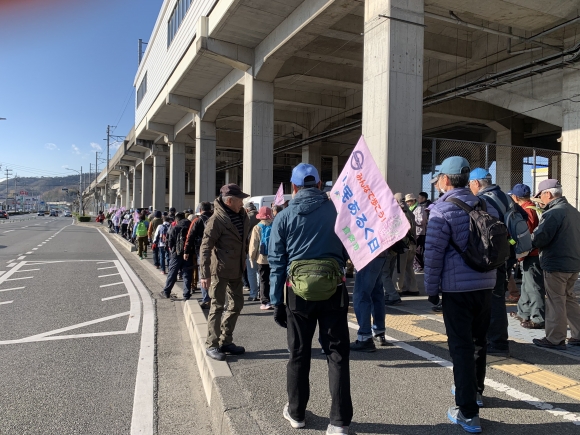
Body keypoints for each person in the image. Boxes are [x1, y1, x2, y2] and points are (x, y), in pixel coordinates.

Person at [269, 163, 352, 435]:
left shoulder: (283, 216)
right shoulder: (338, 210)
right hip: (333, 289)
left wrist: (276, 301)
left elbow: (277, 263)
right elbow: (352, 245)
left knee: (299, 353)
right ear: (319, 184)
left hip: (297, 294)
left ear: (293, 188)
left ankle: (296, 413)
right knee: (337, 354)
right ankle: (339, 422)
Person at [425, 156, 499, 433]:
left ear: (445, 179)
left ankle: (467, 412)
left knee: (461, 347)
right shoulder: (485, 203)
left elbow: (433, 256)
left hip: (457, 289)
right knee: (480, 341)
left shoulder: (441, 210)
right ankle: (476, 393)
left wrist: (432, 291)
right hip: (486, 283)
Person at [200, 184, 250, 362]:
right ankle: (212, 344)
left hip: (237, 268)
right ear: (229, 201)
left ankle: (225, 340)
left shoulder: (242, 215)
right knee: (217, 306)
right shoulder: (216, 220)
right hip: (219, 269)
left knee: (237, 304)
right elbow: (205, 247)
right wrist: (204, 273)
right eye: (240, 200)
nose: (242, 203)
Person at [530, 179, 580, 350]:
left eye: (541, 195)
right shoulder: (573, 211)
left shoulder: (552, 214)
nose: (540, 200)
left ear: (548, 194)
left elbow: (540, 238)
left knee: (556, 300)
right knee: (570, 298)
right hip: (573, 263)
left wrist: (531, 237)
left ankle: (555, 338)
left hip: (556, 264)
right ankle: (578, 334)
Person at [468, 168, 510, 357]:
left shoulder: (485, 201)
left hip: (490, 256)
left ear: (476, 183)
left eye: (470, 184)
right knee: (497, 297)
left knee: (492, 299)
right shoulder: (506, 197)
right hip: (504, 253)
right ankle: (498, 338)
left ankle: (498, 342)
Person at [507, 184, 545, 329]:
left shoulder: (526, 211)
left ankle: (537, 318)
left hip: (530, 254)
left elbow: (523, 235)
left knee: (534, 287)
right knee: (526, 285)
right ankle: (523, 312)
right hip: (532, 253)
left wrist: (510, 243)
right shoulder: (534, 208)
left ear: (516, 197)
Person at [185, 201, 213, 309]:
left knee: (204, 274)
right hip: (216, 251)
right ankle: (216, 298)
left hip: (201, 251)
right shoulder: (216, 218)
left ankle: (206, 299)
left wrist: (186, 251)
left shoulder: (197, 220)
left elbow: (190, 236)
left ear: (200, 210)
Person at [160, 212, 195, 300]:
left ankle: (166, 292)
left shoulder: (175, 227)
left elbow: (170, 241)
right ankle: (186, 295)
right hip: (188, 253)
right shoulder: (191, 227)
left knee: (172, 273)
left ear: (176, 219)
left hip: (176, 253)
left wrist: (173, 251)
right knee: (187, 274)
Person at [248, 206, 274, 310]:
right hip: (274, 257)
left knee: (263, 280)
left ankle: (264, 302)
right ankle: (274, 299)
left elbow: (254, 245)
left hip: (262, 258)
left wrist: (251, 257)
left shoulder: (257, 227)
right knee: (273, 279)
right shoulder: (274, 225)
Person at [393, 193, 419, 296]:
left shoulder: (400, 213)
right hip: (413, 244)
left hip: (403, 244)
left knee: (399, 268)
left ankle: (397, 289)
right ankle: (413, 288)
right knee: (409, 267)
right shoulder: (410, 212)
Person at [244, 202, 260, 301]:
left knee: (251, 272)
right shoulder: (261, 216)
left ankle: (253, 293)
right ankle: (261, 292)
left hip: (250, 248)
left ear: (247, 209)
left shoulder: (247, 218)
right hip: (263, 250)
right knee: (260, 272)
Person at [414, 192, 431, 271]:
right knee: (419, 249)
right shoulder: (420, 206)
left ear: (424, 198)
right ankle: (418, 265)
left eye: (419, 198)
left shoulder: (425, 207)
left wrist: (413, 221)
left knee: (419, 249)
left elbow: (422, 221)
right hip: (422, 231)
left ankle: (420, 266)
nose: (418, 199)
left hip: (423, 231)